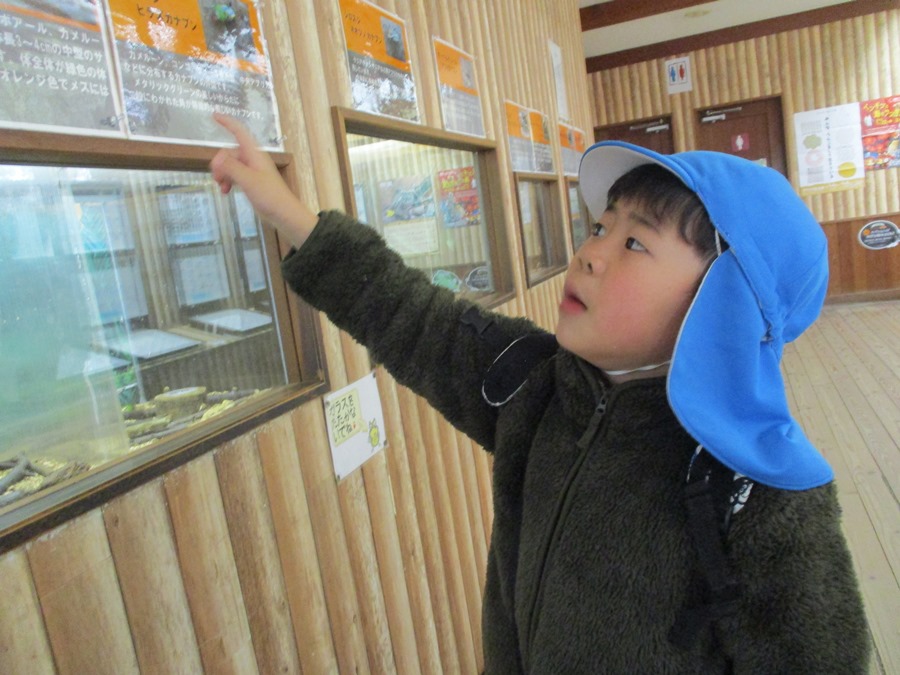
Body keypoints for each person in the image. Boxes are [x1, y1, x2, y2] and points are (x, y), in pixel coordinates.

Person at [210, 113, 870, 673]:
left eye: (635, 241)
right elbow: (411, 316)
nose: (590, 254)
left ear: (722, 304)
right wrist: (285, 211)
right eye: (599, 228)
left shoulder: (760, 487)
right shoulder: (536, 382)